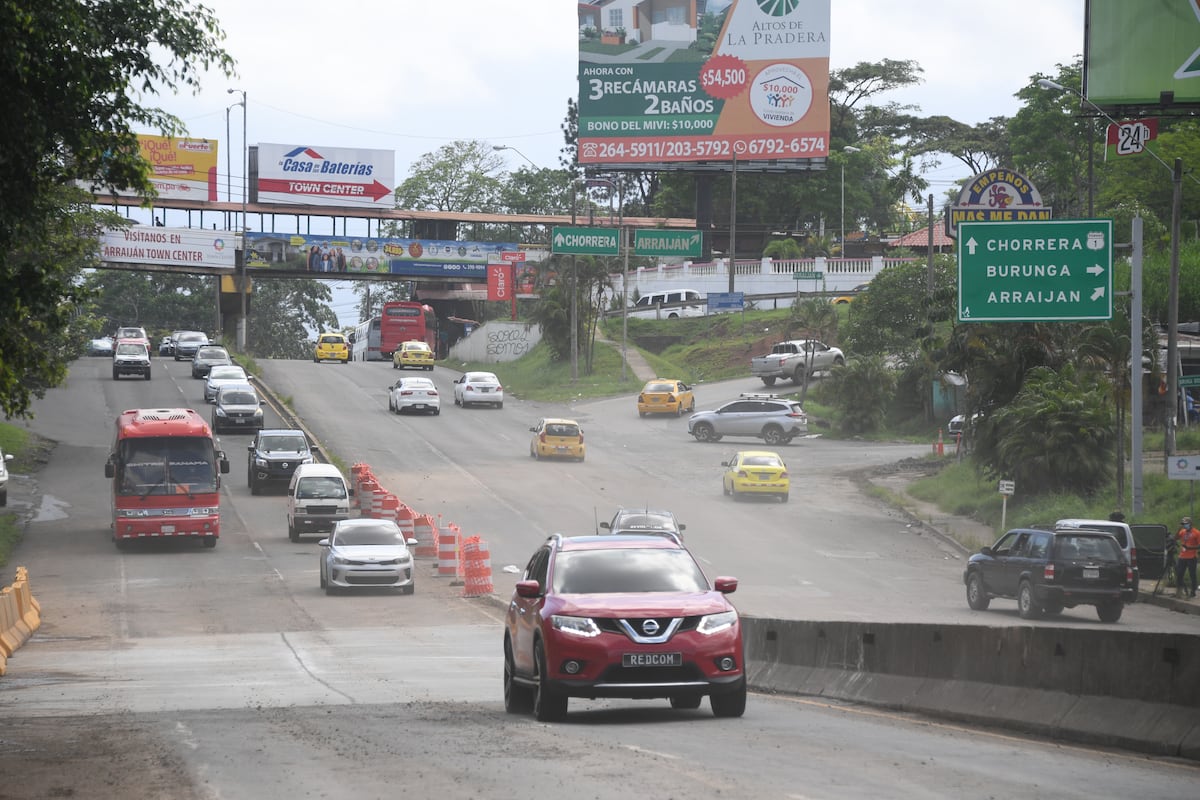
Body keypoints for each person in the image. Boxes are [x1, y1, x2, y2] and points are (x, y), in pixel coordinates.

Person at [1174, 516, 1200, 598]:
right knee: (1179, 574)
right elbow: (1175, 538)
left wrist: (1190, 548)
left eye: (1186, 524)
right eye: (1183, 524)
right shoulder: (1182, 531)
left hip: (1192, 556)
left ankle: (1193, 591)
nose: (1184, 525)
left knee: (1192, 574)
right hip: (1182, 556)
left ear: (1190, 523)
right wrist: (1178, 529)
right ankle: (1179, 591)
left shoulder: (1196, 533)